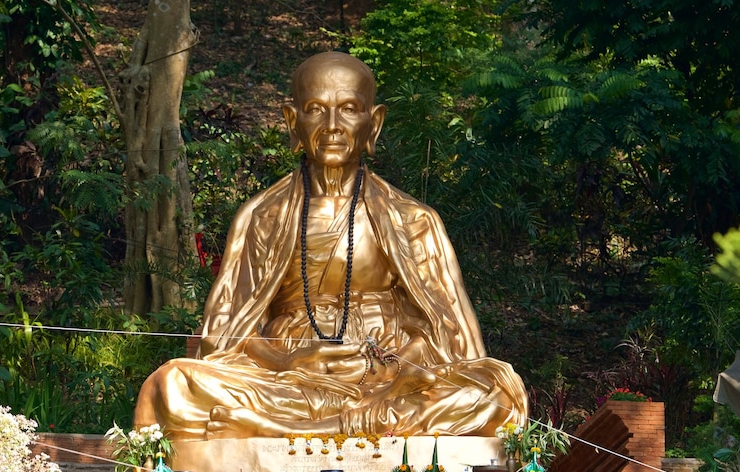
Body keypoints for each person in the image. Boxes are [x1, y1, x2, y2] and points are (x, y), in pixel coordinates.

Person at [134, 51, 528, 440]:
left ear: (374, 123)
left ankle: (283, 431)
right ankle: (319, 426)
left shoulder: (412, 219)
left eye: (350, 108)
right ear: (293, 120)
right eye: (316, 109)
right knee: (173, 384)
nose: (333, 125)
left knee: (493, 394)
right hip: (290, 382)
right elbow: (224, 336)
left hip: (387, 382)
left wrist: (399, 365)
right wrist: (287, 359)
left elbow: (452, 335)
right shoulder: (262, 216)